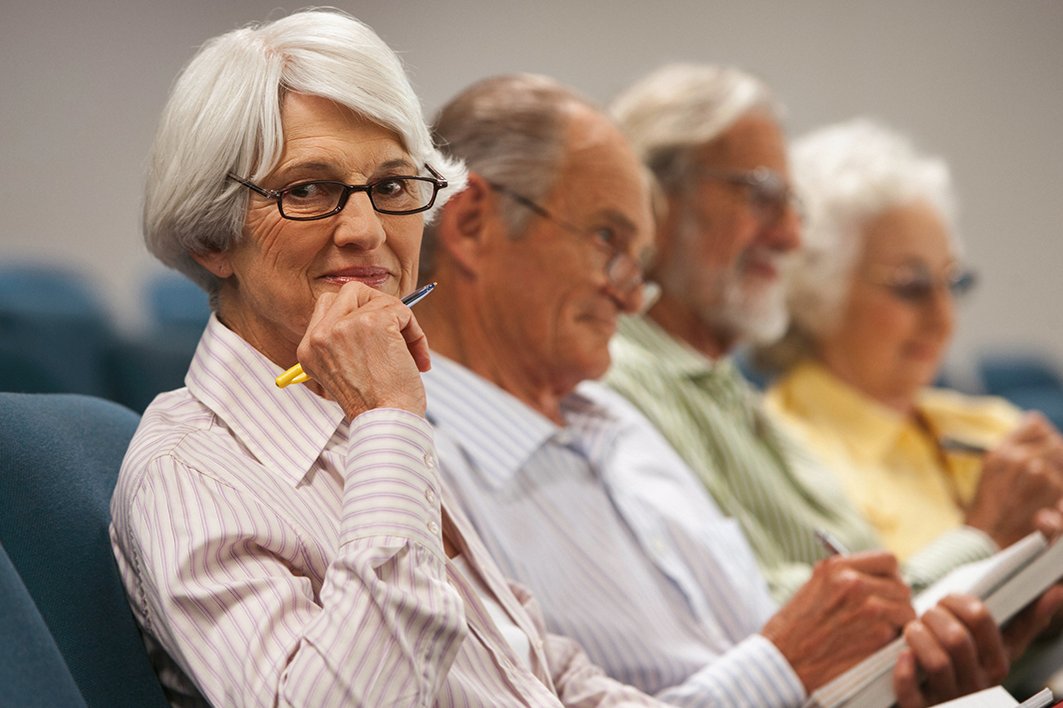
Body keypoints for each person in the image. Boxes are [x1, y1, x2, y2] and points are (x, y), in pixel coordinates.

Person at [414, 71, 1052, 708]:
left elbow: (793, 641)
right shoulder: (418, 476)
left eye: (639, 260)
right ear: (472, 224)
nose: (633, 298)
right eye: (608, 239)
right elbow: (787, 650)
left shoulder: (610, 420)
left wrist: (910, 679)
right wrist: (791, 664)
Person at [108, 10, 665, 706]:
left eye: (393, 186)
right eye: (307, 190)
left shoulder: (355, 417)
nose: (367, 231)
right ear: (210, 237)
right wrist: (389, 419)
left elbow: (534, 667)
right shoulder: (191, 473)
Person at [603, 63, 1063, 602]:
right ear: (653, 198)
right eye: (760, 195)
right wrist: (986, 539)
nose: (791, 236)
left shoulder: (726, 391)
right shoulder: (619, 381)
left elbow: (874, 598)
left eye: (954, 283)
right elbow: (777, 619)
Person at [759, 117, 1063, 563]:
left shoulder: (994, 428)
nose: (944, 320)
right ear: (817, 287)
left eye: (953, 283)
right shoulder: (782, 454)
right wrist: (987, 533)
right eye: (911, 287)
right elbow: (868, 607)